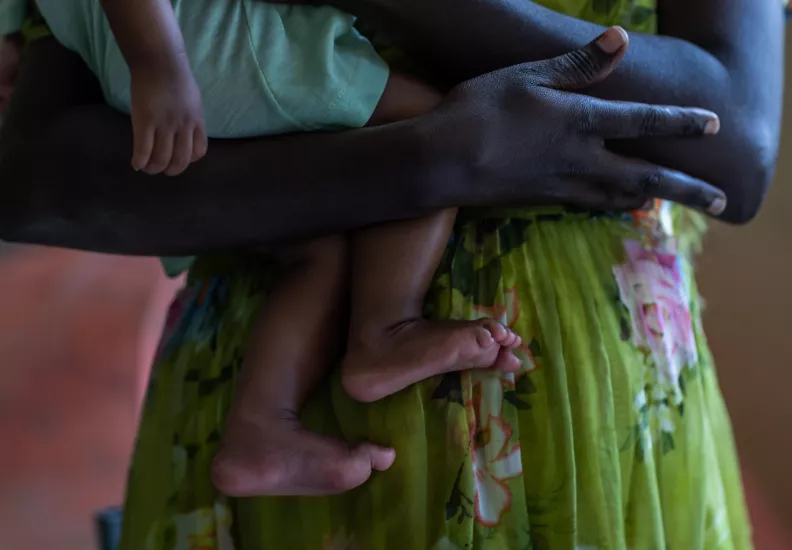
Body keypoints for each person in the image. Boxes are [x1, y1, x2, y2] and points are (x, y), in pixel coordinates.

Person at [0, 0, 783, 546]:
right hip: (266, 376)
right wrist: (436, 160)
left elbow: (736, 150)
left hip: (594, 424)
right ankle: (371, 338)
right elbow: (35, 178)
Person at [39, 0, 527, 497]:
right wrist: (157, 62)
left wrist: (14, 42)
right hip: (207, 44)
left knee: (314, 242)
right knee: (431, 123)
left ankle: (259, 429)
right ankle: (388, 328)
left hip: (138, 66)